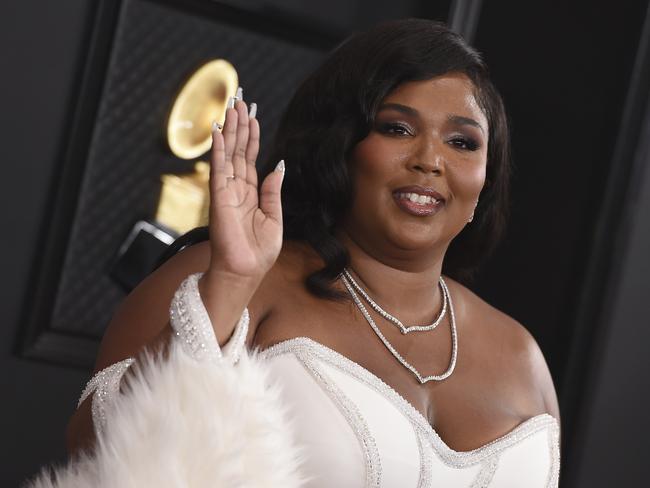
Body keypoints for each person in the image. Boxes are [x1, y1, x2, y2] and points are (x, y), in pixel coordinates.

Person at [62, 18, 560, 487]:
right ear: (339, 145)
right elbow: (97, 455)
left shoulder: (521, 354)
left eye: (461, 141)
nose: (430, 160)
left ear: (485, 179)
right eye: (397, 128)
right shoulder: (232, 277)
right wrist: (230, 283)